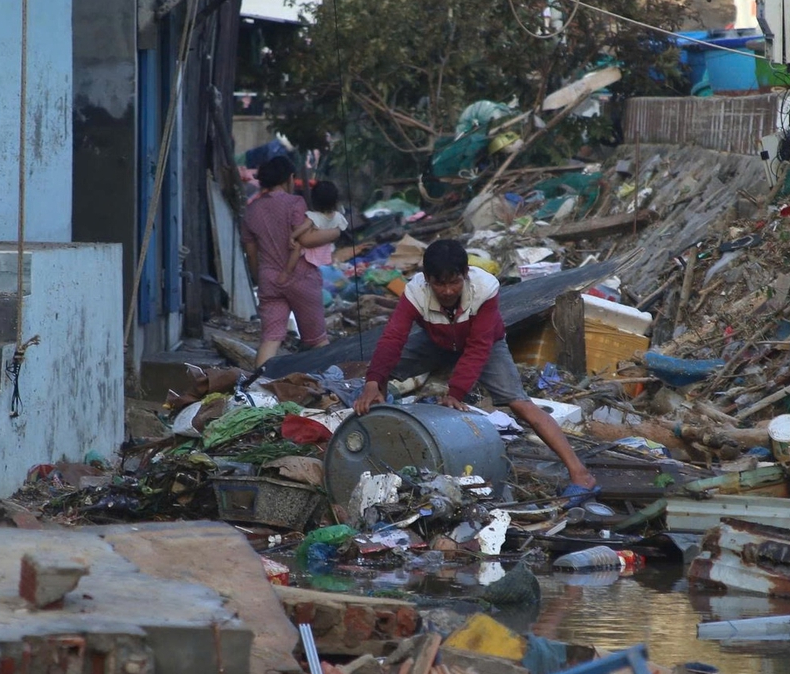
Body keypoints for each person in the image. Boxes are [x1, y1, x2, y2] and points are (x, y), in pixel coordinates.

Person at [355, 239, 599, 496]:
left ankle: (580, 474)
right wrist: (373, 381)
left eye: (454, 282)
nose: (448, 291)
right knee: (378, 376)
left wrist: (456, 392)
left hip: (486, 344)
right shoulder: (415, 292)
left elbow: (479, 346)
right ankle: (378, 433)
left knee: (520, 403)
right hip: (435, 341)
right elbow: (393, 337)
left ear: (466, 274)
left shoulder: (485, 288)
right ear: (427, 279)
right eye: (439, 283)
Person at [241, 154, 338, 368]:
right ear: (289, 178)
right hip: (301, 278)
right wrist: (335, 232)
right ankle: (330, 386)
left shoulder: (251, 210)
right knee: (318, 340)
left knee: (271, 338)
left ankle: (259, 388)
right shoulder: (296, 203)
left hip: (269, 279)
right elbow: (304, 239)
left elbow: (251, 254)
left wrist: (262, 279)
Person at [289, 178, 347, 275]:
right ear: (335, 200)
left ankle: (288, 271)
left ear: (314, 200)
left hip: (312, 253)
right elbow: (340, 231)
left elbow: (304, 227)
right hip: (327, 252)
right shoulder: (338, 217)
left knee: (298, 245)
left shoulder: (314, 216)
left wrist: (292, 236)